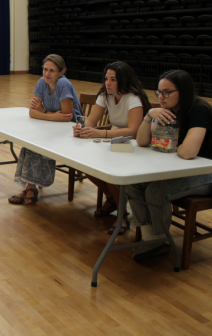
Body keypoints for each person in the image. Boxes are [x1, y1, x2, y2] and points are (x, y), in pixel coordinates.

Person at [126, 70, 212, 261]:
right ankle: (153, 238)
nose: (161, 97)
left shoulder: (198, 110)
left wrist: (166, 141)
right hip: (187, 166)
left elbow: (187, 152)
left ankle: (158, 240)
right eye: (159, 92)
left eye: (167, 92)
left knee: (156, 191)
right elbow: (142, 141)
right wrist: (149, 115)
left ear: (183, 91)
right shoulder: (167, 110)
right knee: (132, 183)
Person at [72, 61, 151, 235]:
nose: (107, 83)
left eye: (112, 79)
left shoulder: (133, 98)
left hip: (138, 146)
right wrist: (81, 128)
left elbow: (134, 131)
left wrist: (101, 134)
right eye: (106, 79)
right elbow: (92, 120)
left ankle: (122, 214)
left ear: (123, 80)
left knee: (109, 171)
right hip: (118, 141)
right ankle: (113, 199)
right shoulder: (105, 95)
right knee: (87, 166)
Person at [8, 54, 83, 205]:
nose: (47, 74)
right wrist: (49, 115)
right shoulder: (42, 82)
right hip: (53, 126)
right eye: (45, 69)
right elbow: (32, 112)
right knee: (29, 143)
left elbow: (67, 117)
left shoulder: (63, 84)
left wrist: (43, 112)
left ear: (62, 72)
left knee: (37, 143)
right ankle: (31, 186)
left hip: (70, 131)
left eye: (52, 71)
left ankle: (31, 188)